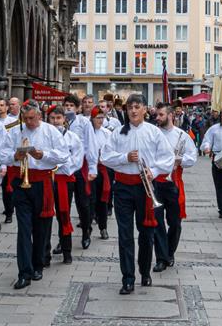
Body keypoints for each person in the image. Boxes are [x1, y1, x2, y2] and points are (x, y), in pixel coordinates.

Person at [100, 94, 175, 294]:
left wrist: (155, 170)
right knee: (125, 235)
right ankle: (128, 278)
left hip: (146, 188)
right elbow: (105, 156)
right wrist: (124, 157)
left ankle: (144, 271)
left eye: (137, 107)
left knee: (146, 233)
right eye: (130, 107)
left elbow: (168, 157)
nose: (133, 111)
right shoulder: (117, 132)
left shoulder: (154, 132)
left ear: (144, 110)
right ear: (126, 110)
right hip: (123, 186)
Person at [0, 100, 68, 289]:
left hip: (42, 182)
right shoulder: (14, 132)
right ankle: (24, 272)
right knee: (24, 229)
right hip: (21, 183)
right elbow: (0, 154)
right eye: (25, 118)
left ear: (39, 115)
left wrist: (42, 155)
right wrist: (14, 156)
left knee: (41, 228)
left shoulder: (50, 131)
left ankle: (38, 264)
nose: (29, 122)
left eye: (32, 118)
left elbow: (64, 155)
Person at [153, 103, 197, 270]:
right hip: (156, 182)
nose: (157, 117)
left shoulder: (182, 135)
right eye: (157, 115)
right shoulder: (153, 134)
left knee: (175, 223)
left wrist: (179, 161)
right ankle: (161, 258)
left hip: (174, 182)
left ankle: (170, 252)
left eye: (161, 115)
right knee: (157, 223)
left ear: (170, 115)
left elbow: (192, 158)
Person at [46, 105, 83, 264]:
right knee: (45, 215)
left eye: (58, 118)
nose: (55, 122)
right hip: (46, 178)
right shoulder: (43, 135)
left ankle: (66, 250)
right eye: (53, 118)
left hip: (63, 179)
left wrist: (62, 166)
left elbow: (77, 159)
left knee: (63, 214)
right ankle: (44, 253)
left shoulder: (72, 137)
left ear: (64, 119)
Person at [62, 95, 98, 249]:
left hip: (80, 165)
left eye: (71, 105)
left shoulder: (84, 122)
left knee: (83, 203)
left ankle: (85, 232)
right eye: (66, 105)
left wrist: (92, 167)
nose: (68, 108)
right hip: (64, 166)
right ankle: (64, 238)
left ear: (77, 108)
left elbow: (91, 144)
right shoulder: (58, 121)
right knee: (64, 204)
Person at [90, 106, 113, 239]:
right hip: (91, 170)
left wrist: (103, 157)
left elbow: (111, 149)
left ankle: (103, 227)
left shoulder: (107, 133)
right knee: (90, 199)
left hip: (103, 169)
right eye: (97, 118)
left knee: (103, 199)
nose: (100, 120)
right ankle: (87, 226)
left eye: (102, 118)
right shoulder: (88, 132)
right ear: (92, 119)